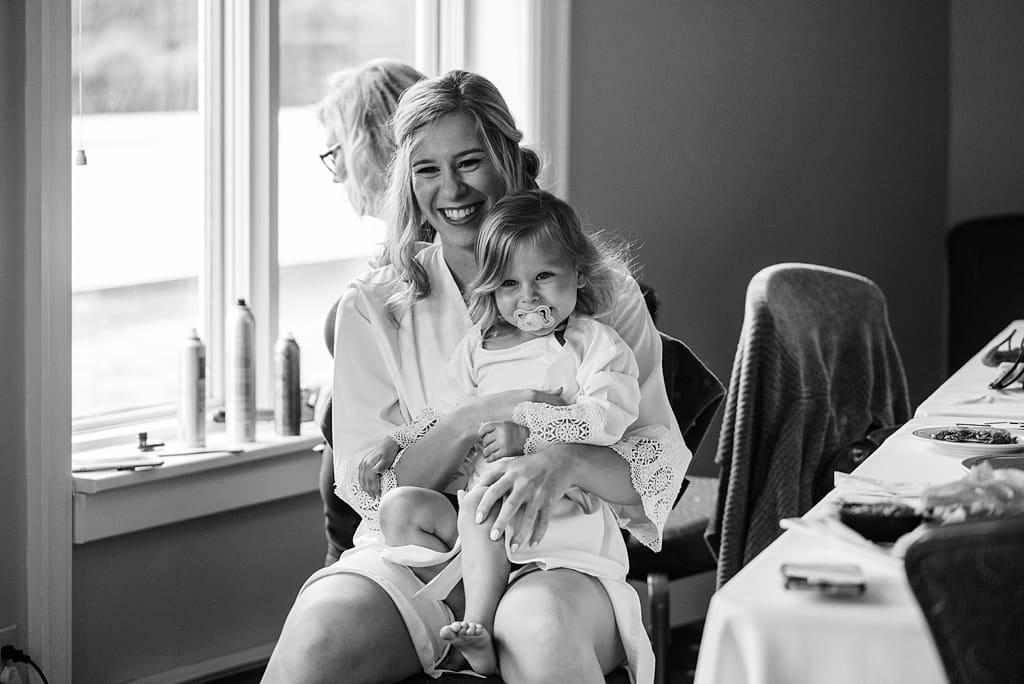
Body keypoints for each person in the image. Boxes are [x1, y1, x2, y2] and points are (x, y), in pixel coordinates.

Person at [262, 69, 691, 684]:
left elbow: (654, 471)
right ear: (406, 182)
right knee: (318, 637)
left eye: (470, 162)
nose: (451, 189)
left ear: (509, 161)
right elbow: (378, 492)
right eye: (427, 169)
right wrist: (471, 419)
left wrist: (564, 462)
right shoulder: (372, 308)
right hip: (423, 547)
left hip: (557, 555)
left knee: (540, 638)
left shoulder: (601, 293)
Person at [375, 189, 643, 676]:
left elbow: (607, 418)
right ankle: (469, 600)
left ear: (577, 274)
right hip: (478, 529)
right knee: (400, 506)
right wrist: (398, 441)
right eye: (509, 284)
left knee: (485, 499)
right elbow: (446, 412)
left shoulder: (594, 346)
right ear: (491, 290)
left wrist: (530, 432)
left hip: (554, 517)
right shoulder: (479, 348)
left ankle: (479, 633)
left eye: (544, 276)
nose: (528, 296)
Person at [312, 59, 426, 565]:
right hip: (362, 522)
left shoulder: (422, 272)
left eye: (336, 152)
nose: (335, 173)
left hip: (392, 535)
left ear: (368, 149)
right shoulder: (390, 268)